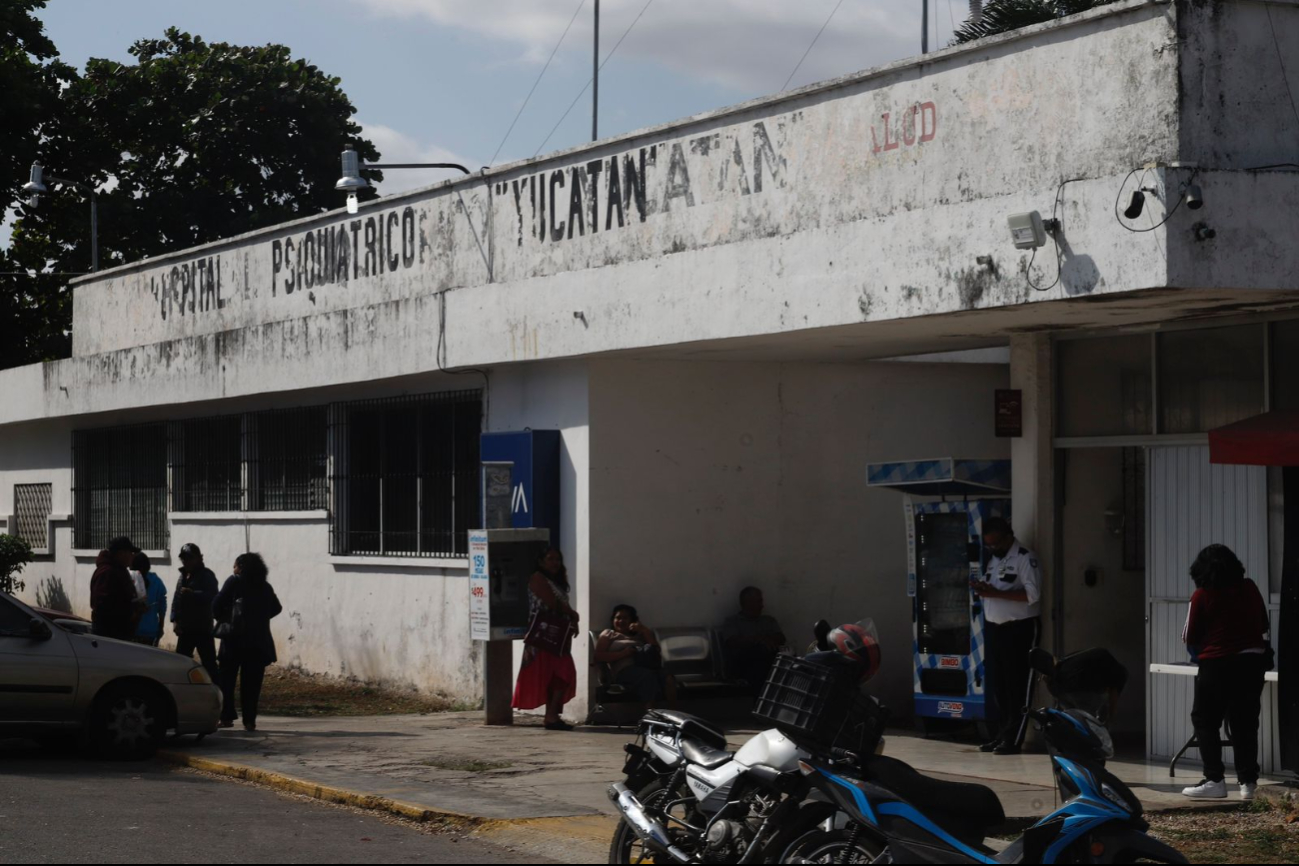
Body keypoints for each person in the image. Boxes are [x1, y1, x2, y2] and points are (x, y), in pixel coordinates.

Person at [1180, 544, 1271, 802]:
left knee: (1206, 720)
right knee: (1244, 723)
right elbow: (1263, 623)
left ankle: (1214, 780)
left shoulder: (1202, 595)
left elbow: (1190, 635)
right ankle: (1248, 783)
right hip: (1252, 662)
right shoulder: (1250, 588)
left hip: (1217, 663)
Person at [971, 517, 1042, 756]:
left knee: (1016, 686)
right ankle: (1000, 735)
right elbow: (995, 590)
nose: (992, 549)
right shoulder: (995, 559)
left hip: (1018, 628)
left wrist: (995, 594)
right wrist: (984, 589)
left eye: (996, 544)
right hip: (995, 628)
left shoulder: (1025, 557)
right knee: (998, 686)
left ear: (1008, 537)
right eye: (988, 545)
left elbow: (1033, 595)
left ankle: (1013, 739)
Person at [213, 552, 283, 732]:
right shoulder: (265, 586)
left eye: (235, 566)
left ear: (241, 567)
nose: (233, 569)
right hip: (258, 642)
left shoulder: (234, 581)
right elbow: (276, 608)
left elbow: (216, 606)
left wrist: (227, 616)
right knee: (252, 685)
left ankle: (226, 716)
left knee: (226, 681)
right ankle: (249, 721)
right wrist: (258, 618)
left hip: (233, 641)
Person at [512, 547, 580, 730]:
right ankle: (551, 716)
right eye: (550, 558)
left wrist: (572, 621)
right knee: (561, 672)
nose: (555, 562)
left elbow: (562, 603)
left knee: (560, 675)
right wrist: (573, 614)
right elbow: (552, 603)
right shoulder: (538, 578)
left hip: (559, 635)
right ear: (541, 561)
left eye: (557, 559)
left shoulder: (557, 581)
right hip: (543, 636)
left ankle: (552, 715)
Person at [594, 604, 677, 707]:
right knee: (647, 677)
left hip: (646, 667)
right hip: (624, 671)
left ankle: (674, 711)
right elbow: (598, 656)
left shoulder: (639, 634)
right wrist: (623, 654)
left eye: (625, 618)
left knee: (667, 677)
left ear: (632, 620)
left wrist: (644, 630)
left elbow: (656, 649)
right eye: (618, 618)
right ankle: (650, 713)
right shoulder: (609, 634)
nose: (621, 621)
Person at [720, 586, 786, 692]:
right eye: (759, 602)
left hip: (769, 661)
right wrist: (758, 640)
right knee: (759, 653)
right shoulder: (732, 622)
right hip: (743, 664)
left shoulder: (768, 620)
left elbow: (781, 638)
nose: (762, 606)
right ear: (748, 603)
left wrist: (767, 640)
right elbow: (732, 642)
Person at [172, 542, 219, 679]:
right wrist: (174, 619)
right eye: (184, 558)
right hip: (185, 628)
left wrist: (193, 594)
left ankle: (216, 692)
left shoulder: (207, 575)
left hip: (202, 628)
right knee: (180, 662)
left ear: (199, 558)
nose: (186, 561)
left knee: (209, 663)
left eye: (190, 558)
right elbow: (176, 599)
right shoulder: (183, 576)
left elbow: (213, 597)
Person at [90, 537, 139, 641]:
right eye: (130, 553)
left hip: (120, 633)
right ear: (121, 553)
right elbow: (102, 605)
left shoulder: (120, 570)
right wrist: (129, 612)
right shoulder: (107, 572)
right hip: (110, 635)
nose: (132, 556)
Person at [132, 552, 169, 647]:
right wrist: (161, 626)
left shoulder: (131, 579)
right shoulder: (156, 581)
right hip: (151, 631)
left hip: (133, 630)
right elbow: (162, 606)